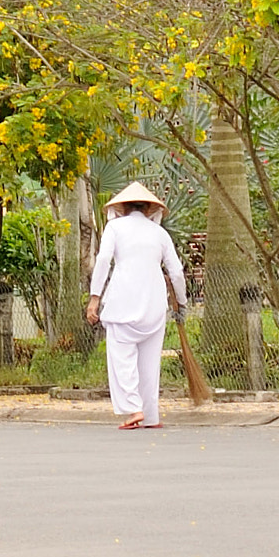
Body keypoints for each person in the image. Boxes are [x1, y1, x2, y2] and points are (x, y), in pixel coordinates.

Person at [86, 182, 187, 430]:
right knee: (149, 363)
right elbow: (176, 272)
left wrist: (95, 297)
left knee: (122, 358)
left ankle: (133, 408)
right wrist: (181, 302)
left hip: (123, 300)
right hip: (154, 304)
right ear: (150, 209)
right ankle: (150, 416)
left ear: (122, 208)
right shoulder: (160, 234)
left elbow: (102, 260)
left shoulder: (115, 227)